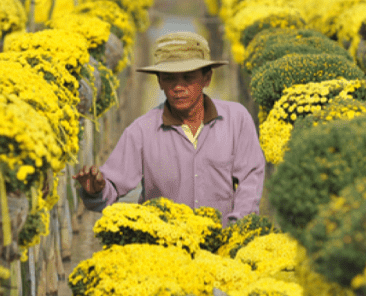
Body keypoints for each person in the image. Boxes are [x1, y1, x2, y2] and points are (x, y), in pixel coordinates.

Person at [73, 31, 265, 226]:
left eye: (188, 77)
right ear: (159, 82)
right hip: (163, 248)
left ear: (207, 78)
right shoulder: (141, 131)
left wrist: (238, 227)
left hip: (223, 242)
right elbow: (112, 186)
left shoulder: (236, 120)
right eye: (169, 78)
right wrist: (96, 189)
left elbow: (250, 179)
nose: (178, 87)